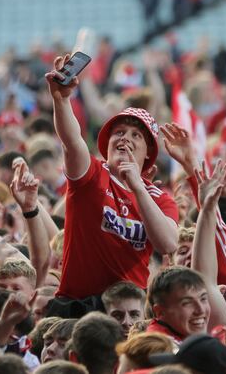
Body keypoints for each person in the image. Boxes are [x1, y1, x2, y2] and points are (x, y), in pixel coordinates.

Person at [44, 54, 178, 314]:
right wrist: (61, 100)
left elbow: (168, 244)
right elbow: (72, 141)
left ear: (148, 154)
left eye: (135, 135)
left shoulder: (159, 198)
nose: (124, 139)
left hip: (126, 315)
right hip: (76, 308)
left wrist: (137, 187)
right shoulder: (93, 173)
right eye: (118, 132)